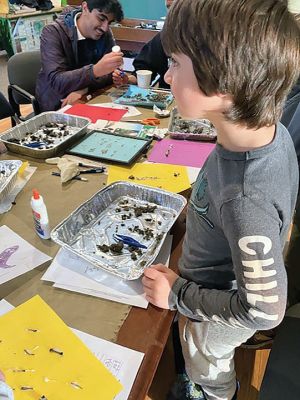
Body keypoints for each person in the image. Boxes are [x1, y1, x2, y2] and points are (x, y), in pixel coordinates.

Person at [141, 1, 300, 400]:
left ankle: (207, 393)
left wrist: (176, 295)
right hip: (209, 273)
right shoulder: (265, 130)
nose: (166, 73)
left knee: (206, 365)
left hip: (212, 310)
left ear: (222, 84)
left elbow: (264, 311)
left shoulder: (246, 200)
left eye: (175, 62)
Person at [36, 0, 124, 111]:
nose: (105, 28)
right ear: (85, 7)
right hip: (57, 103)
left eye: (109, 22)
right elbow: (57, 81)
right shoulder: (53, 32)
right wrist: (95, 71)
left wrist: (84, 89)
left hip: (90, 97)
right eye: (101, 19)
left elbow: (111, 74)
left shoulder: (105, 34)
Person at [112, 0, 174, 88]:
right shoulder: (164, 38)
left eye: (177, 7)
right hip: (169, 98)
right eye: (169, 7)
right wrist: (127, 79)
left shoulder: (199, 39)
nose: (172, 13)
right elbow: (144, 69)